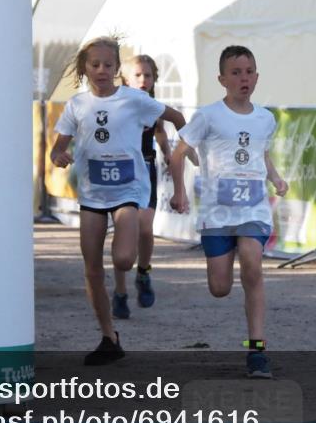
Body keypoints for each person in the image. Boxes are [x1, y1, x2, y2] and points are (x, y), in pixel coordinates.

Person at [50, 36, 188, 365]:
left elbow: (177, 117)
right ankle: (108, 337)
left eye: (108, 65)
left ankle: (131, 277)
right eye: (94, 65)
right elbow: (57, 147)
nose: (101, 70)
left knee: (124, 259)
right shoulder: (77, 105)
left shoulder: (134, 100)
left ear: (116, 69)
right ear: (84, 68)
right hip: (93, 195)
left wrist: (185, 148)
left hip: (128, 191)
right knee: (92, 270)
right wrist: (59, 156)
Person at [169, 45, 288, 379]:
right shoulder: (208, 116)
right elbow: (178, 154)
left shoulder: (266, 118)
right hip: (217, 214)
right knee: (219, 288)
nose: (243, 78)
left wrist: (276, 178)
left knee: (253, 264)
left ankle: (258, 350)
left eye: (249, 71)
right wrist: (180, 192)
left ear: (257, 76)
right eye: (235, 73)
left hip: (253, 208)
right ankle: (228, 254)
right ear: (222, 79)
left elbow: (260, 154)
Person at [118, 55, 172, 311]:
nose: (143, 80)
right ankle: (119, 291)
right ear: (126, 79)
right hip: (120, 170)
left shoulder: (153, 106)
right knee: (122, 231)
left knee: (145, 228)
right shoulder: (115, 104)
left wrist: (169, 154)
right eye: (137, 75)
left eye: (148, 75)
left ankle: (143, 272)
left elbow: (160, 131)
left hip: (147, 168)